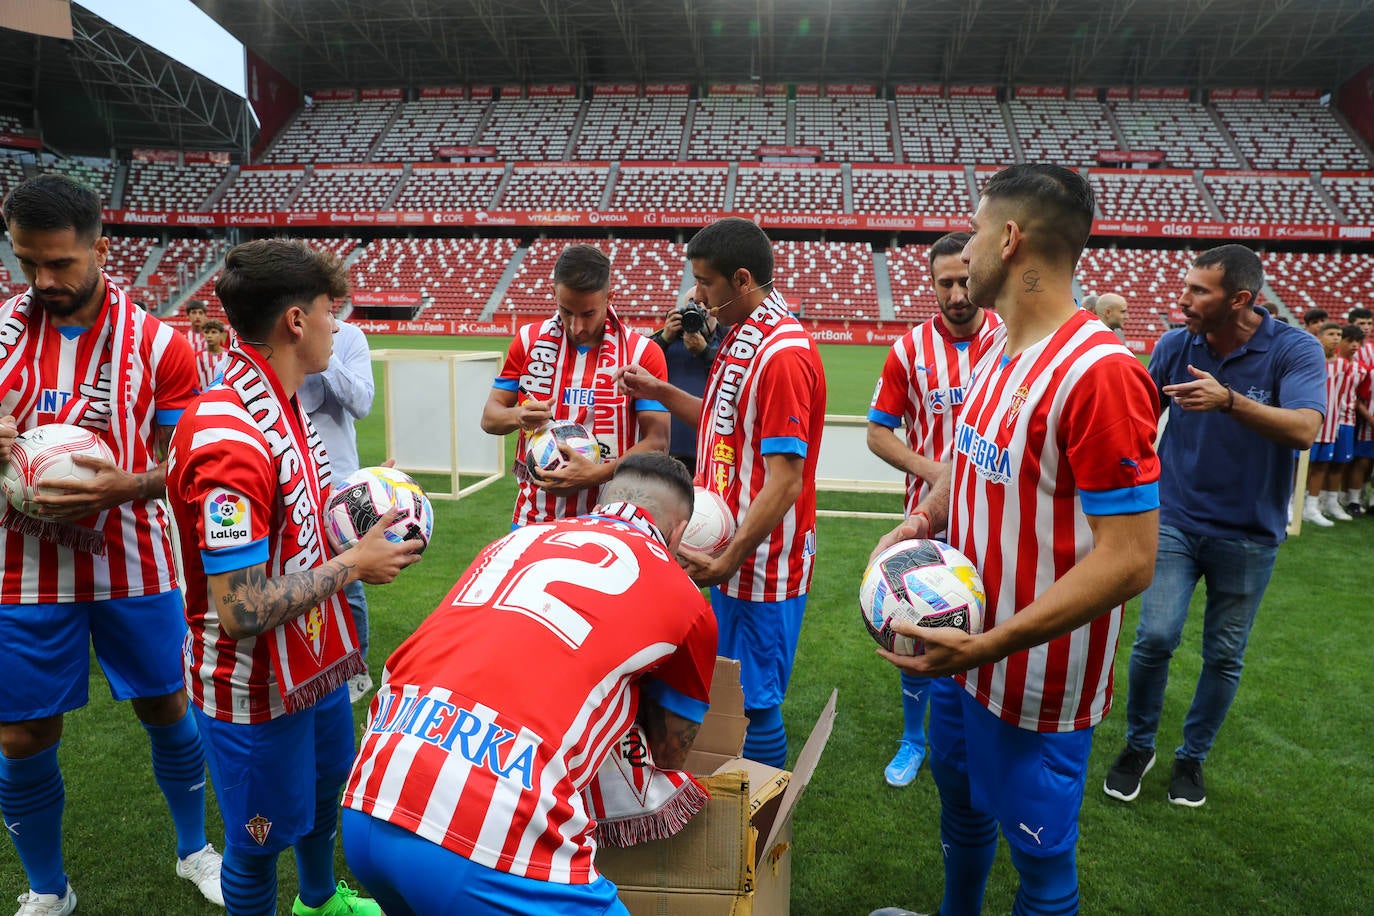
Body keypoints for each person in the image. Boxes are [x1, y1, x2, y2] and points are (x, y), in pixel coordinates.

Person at [867, 165, 1160, 916]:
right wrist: (922, 522)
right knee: (961, 810)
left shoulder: (1101, 374)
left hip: (1036, 682)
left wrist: (995, 645)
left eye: (972, 232)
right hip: (966, 658)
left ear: (1010, 238)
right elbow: (964, 468)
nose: (964, 254)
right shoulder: (998, 350)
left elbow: (1129, 559)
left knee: (1040, 863)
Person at [340, 453, 717, 916]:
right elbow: (670, 753)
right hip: (481, 831)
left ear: (602, 502)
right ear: (678, 533)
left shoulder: (515, 539)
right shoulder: (686, 599)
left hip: (370, 795)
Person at [165, 239, 421, 916]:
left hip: (313, 663)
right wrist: (354, 565)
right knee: (257, 840)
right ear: (297, 322)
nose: (339, 326)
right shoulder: (231, 439)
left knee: (323, 794)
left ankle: (316, 900)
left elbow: (297, 533)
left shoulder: (286, 401)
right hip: (252, 687)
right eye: (330, 312)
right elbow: (241, 607)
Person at [0, 174, 222, 914]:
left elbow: (192, 464)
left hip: (135, 559)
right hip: (20, 569)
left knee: (166, 705)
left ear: (100, 247)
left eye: (59, 263)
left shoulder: (162, 345)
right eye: (26, 261)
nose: (42, 280)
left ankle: (195, 849)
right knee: (22, 736)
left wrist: (124, 487)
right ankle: (47, 889)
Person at [1104, 244, 1325, 811]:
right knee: (1154, 638)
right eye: (1187, 286)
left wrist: (1229, 401)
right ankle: (1138, 746)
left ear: (1241, 300)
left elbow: (1304, 429)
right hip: (1175, 517)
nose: (1183, 299)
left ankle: (1191, 759)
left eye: (1199, 291)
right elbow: (1139, 415)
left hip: (1249, 534)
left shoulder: (1294, 350)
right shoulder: (1177, 344)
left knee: (1224, 655)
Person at [617, 217, 826, 768]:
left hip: (761, 563)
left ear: (740, 280)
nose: (696, 295)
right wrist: (661, 389)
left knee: (754, 703)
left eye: (705, 282)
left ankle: (759, 828)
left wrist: (732, 557)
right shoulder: (741, 335)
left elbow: (786, 478)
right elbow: (719, 422)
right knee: (722, 683)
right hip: (726, 553)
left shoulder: (782, 352)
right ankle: (723, 796)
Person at [865, 231, 1000, 788]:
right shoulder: (908, 349)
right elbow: (877, 433)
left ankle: (980, 724)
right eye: (945, 282)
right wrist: (933, 470)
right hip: (929, 515)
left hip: (995, 515)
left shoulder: (1010, 338)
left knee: (988, 618)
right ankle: (914, 738)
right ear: (931, 284)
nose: (958, 292)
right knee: (917, 624)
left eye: (965, 280)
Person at [481, 244, 670, 528]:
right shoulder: (529, 341)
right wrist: (518, 416)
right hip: (534, 518)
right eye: (566, 311)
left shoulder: (643, 353)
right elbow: (490, 418)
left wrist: (595, 474)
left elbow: (658, 443)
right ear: (553, 292)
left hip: (612, 519)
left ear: (610, 298)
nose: (576, 326)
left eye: (588, 314)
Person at [297, 309, 377, 703]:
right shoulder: (278, 335)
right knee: (293, 571)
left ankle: (355, 667)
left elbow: (362, 403)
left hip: (338, 480)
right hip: (288, 473)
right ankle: (306, 660)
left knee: (349, 582)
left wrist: (326, 359)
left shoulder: (349, 338)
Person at [650, 291, 727, 469]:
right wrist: (664, 339)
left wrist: (705, 352)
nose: (699, 312)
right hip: (665, 452)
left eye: (703, 306)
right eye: (691, 306)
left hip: (709, 451)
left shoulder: (727, 340)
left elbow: (735, 373)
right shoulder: (667, 338)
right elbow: (638, 363)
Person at [1300, 321, 1354, 526]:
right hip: (1308, 420)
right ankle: (1289, 504)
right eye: (1331, 333)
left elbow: (1344, 395)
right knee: (1298, 465)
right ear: (1319, 336)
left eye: (1338, 334)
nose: (1335, 338)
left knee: (1322, 465)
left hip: (1331, 424)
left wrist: (1340, 420)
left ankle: (1311, 507)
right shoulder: (1309, 360)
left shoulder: (1344, 365)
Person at [196, 317, 231, 392]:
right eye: (206, 332)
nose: (209, 335)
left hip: (223, 397)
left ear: (221, 334)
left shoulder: (229, 356)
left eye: (213, 332)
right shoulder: (197, 357)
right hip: (203, 398)